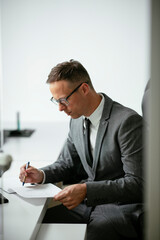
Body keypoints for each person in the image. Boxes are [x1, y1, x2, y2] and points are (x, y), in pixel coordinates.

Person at [19, 60, 143, 240]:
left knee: (95, 233)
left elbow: (138, 183)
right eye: (56, 101)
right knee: (37, 222)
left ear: (84, 89)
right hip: (88, 203)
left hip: (120, 207)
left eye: (63, 100)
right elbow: (67, 163)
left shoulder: (127, 122)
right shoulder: (76, 120)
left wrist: (87, 190)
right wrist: (41, 175)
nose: (60, 108)